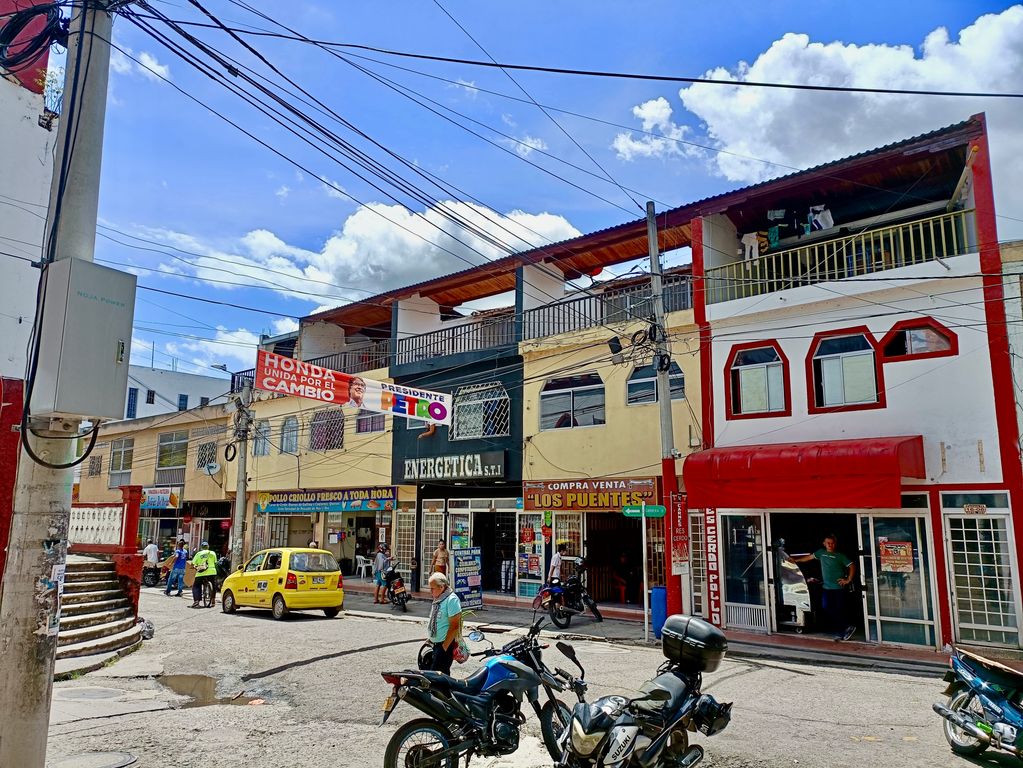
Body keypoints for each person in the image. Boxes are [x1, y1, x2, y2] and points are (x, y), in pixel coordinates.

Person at [793, 534, 857, 640]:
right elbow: (808, 558)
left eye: (832, 543)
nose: (830, 545)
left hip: (838, 588)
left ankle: (843, 631)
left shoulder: (840, 555)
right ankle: (846, 627)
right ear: (824, 543)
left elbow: (852, 565)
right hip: (827, 588)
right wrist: (796, 561)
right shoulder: (821, 553)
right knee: (826, 607)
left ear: (835, 544)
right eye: (828, 543)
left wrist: (848, 579)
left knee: (839, 609)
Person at [426, 572, 462, 675]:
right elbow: (436, 620)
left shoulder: (451, 600)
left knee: (437, 677)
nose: (430, 591)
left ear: (441, 587)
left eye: (432, 589)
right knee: (437, 676)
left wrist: (444, 647)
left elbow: (455, 626)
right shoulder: (439, 599)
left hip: (444, 645)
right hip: (436, 644)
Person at [190, 540, 218, 609]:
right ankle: (213, 600)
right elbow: (215, 562)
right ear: (208, 547)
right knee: (213, 585)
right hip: (212, 572)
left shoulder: (198, 554)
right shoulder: (213, 553)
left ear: (201, 547)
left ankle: (196, 601)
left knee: (196, 586)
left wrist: (193, 567)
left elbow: (192, 563)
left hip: (201, 573)